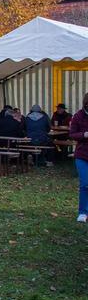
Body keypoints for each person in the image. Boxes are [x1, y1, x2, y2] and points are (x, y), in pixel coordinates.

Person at [70, 92, 88, 222]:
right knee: (85, 184)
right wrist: (84, 135)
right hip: (82, 155)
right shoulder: (78, 116)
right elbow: (72, 134)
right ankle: (83, 212)